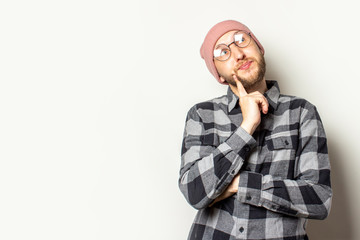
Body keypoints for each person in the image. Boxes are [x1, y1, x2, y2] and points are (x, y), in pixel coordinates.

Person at [178, 20, 332, 240]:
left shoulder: (301, 112)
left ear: (259, 48)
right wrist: (247, 126)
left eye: (241, 40)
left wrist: (239, 183)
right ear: (219, 75)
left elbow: (319, 199)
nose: (238, 54)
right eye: (223, 52)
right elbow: (194, 192)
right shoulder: (202, 115)